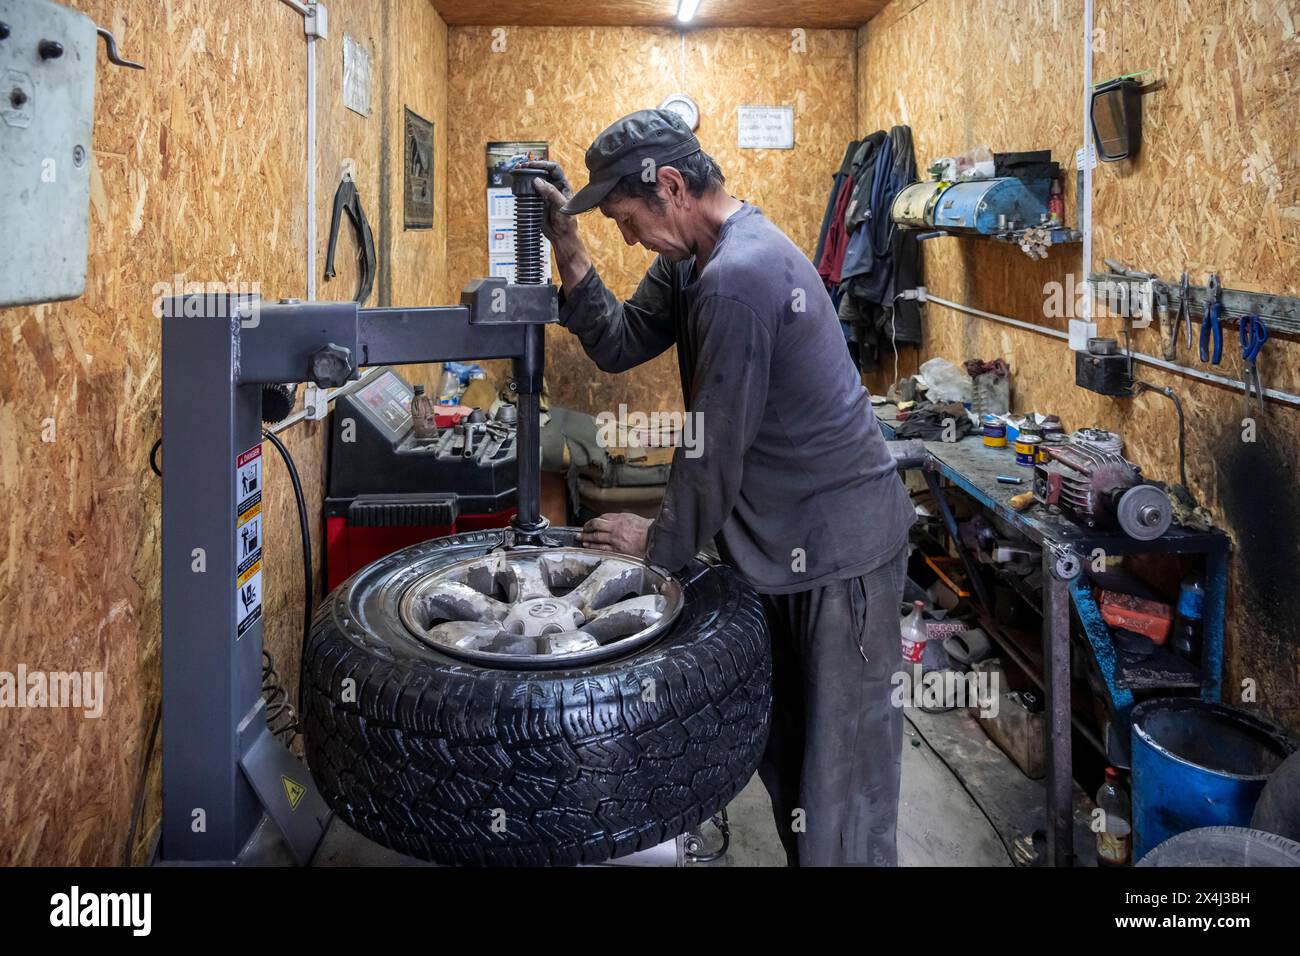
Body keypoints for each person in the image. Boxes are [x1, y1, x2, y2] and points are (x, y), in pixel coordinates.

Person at [524, 109, 915, 866]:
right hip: (779, 543)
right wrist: (569, 252)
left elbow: (713, 451)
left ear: (670, 185)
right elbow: (621, 341)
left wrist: (658, 546)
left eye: (627, 219)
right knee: (792, 755)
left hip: (841, 557)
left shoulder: (740, 277)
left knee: (843, 791)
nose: (628, 237)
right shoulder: (692, 263)